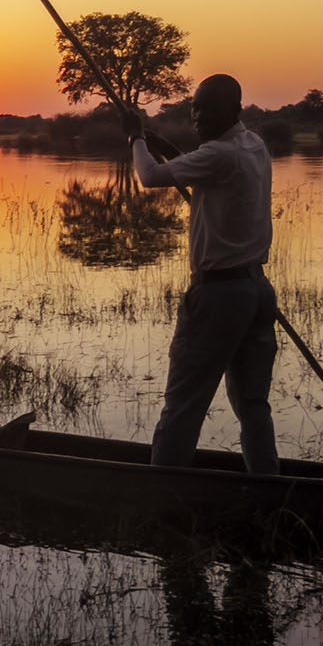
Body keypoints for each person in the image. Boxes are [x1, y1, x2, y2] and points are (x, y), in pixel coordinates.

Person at [124, 73, 280, 474]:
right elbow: (198, 165)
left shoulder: (220, 154)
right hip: (256, 290)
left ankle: (162, 494)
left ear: (235, 110)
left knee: (183, 404)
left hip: (219, 295)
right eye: (195, 108)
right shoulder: (254, 145)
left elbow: (150, 177)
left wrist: (136, 139)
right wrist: (163, 147)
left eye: (209, 109)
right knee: (253, 405)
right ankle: (268, 490)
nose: (198, 116)